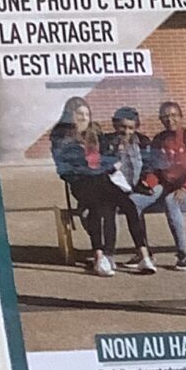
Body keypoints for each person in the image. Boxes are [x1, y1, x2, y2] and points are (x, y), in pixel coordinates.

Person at [47, 97, 118, 276]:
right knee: (95, 205)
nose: (84, 118)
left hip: (99, 179)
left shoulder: (93, 134)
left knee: (109, 205)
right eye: (80, 114)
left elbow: (104, 158)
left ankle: (109, 254)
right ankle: (99, 255)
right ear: (70, 115)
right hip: (79, 182)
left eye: (87, 114)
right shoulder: (61, 137)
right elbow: (64, 166)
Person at [138, 99, 186, 270]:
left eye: (174, 115)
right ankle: (143, 252)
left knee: (172, 201)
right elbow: (155, 169)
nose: (170, 120)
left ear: (181, 117)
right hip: (167, 185)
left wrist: (185, 188)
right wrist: (148, 184)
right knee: (134, 201)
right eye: (165, 116)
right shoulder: (159, 140)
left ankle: (183, 254)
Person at [100, 107, 157, 274]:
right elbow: (101, 167)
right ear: (115, 125)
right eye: (122, 127)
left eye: (131, 128)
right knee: (110, 210)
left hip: (134, 188)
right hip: (111, 188)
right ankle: (109, 256)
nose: (126, 132)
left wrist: (146, 181)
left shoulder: (143, 142)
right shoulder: (106, 142)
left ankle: (144, 256)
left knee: (132, 207)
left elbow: (149, 166)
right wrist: (116, 152)